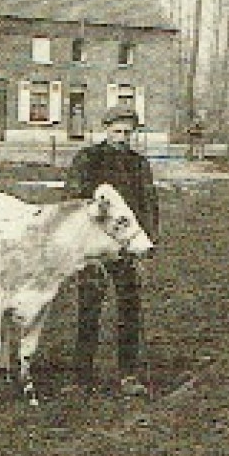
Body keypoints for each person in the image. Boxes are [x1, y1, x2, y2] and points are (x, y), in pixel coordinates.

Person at [65, 103, 160, 397]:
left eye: (127, 133)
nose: (122, 137)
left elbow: (148, 204)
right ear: (106, 130)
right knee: (89, 308)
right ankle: (82, 377)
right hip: (94, 248)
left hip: (127, 248)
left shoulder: (138, 164)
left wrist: (147, 241)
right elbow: (72, 200)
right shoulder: (88, 159)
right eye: (117, 131)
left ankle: (129, 374)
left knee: (130, 309)